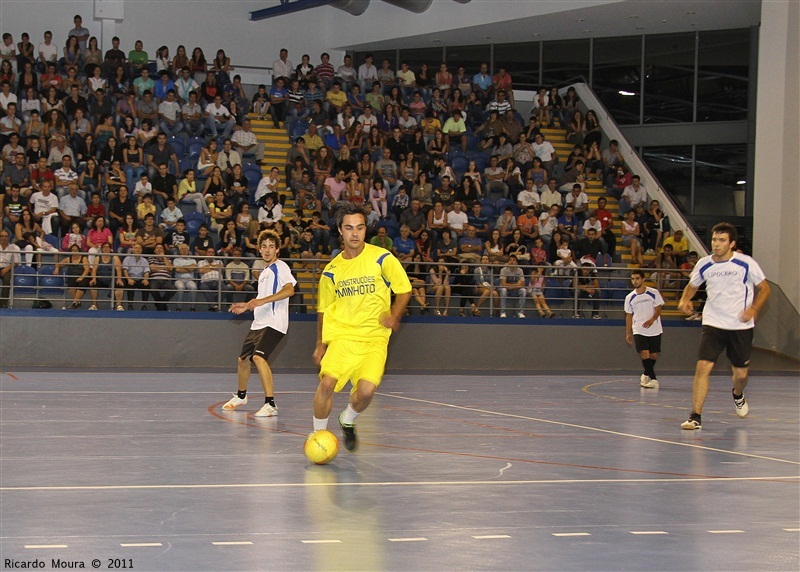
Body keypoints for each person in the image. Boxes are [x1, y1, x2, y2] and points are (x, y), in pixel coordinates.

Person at [311, 203, 412, 451]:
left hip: (374, 339)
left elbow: (404, 289)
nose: (355, 233)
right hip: (343, 338)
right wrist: (320, 344)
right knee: (326, 384)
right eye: (349, 228)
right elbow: (324, 309)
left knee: (366, 392)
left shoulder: (382, 258)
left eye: (360, 227)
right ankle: (317, 437)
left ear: (366, 230)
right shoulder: (331, 271)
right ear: (340, 230)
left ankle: (347, 419)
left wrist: (395, 314)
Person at [677, 223, 770, 431]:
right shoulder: (704, 264)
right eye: (714, 240)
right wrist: (684, 300)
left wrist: (754, 309)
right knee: (703, 367)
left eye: (721, 240)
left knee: (741, 375)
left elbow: (764, 289)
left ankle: (737, 394)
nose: (716, 244)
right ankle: (695, 416)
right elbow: (692, 286)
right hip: (713, 323)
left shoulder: (746, 263)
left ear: (732, 244)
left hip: (740, 326)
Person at [221, 230, 297, 416]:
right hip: (259, 323)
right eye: (264, 246)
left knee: (258, 357)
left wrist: (261, 302)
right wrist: (247, 306)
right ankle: (241, 396)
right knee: (243, 359)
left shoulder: (280, 266)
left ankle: (270, 404)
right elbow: (260, 299)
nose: (267, 250)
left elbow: (289, 291)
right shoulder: (264, 273)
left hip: (274, 323)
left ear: (277, 249)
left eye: (272, 246)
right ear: (259, 249)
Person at [625, 269, 664, 389]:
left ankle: (646, 374)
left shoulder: (653, 292)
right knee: (644, 352)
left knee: (653, 356)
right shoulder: (630, 297)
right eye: (632, 279)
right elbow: (629, 315)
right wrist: (628, 333)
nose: (635, 281)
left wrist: (652, 319)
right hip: (639, 329)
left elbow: (658, 308)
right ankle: (653, 379)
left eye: (637, 278)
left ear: (643, 279)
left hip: (654, 329)